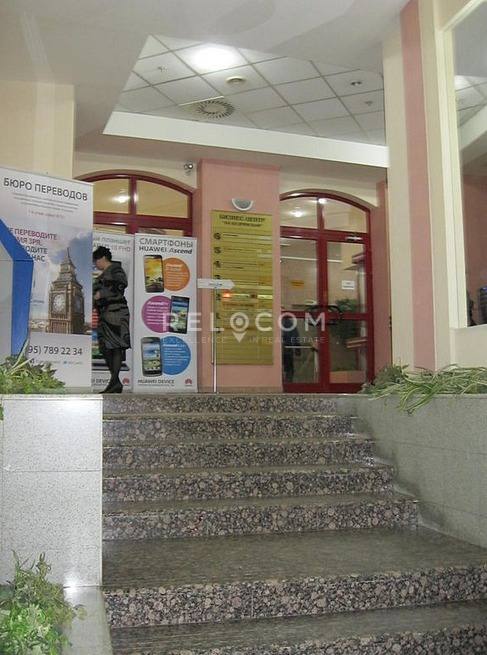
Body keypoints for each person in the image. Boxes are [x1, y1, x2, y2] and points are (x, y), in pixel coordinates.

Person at [93, 246, 131, 393]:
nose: (96, 264)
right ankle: (115, 382)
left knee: (115, 346)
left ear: (103, 258)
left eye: (96, 261)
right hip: (105, 314)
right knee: (106, 347)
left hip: (116, 313)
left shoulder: (115, 269)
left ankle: (114, 382)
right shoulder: (103, 275)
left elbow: (121, 284)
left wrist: (101, 294)